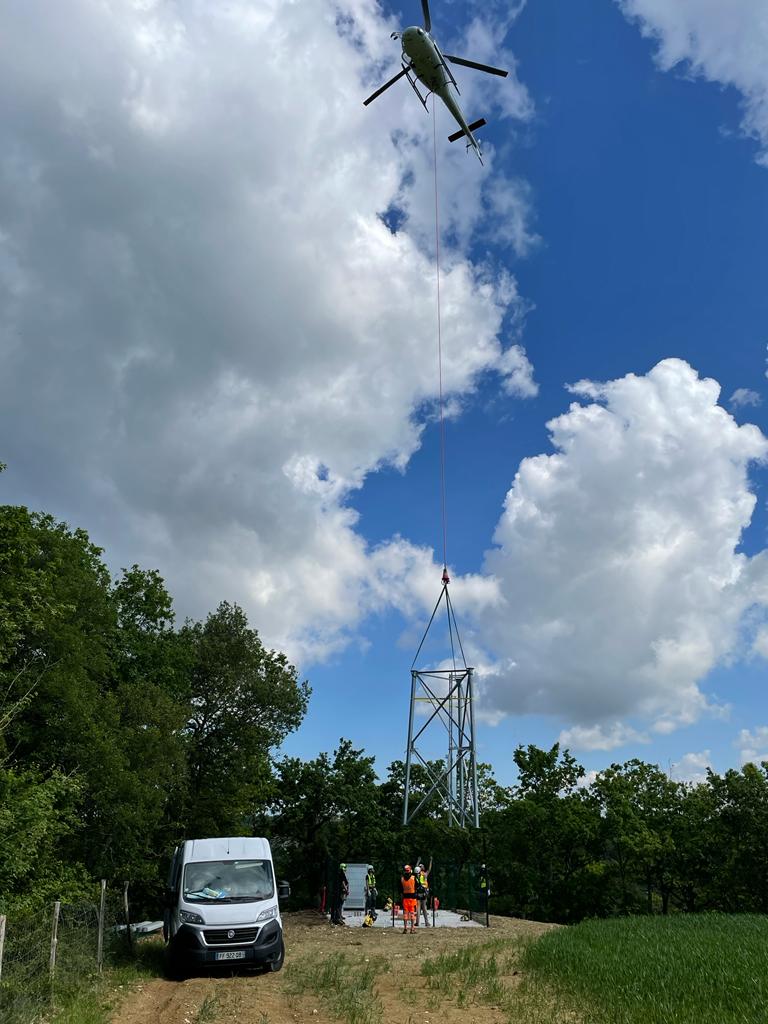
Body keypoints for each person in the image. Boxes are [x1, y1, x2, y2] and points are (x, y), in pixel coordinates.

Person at [414, 859, 432, 927]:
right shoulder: (425, 874)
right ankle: (426, 922)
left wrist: (418, 861)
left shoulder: (417, 875)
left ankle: (417, 922)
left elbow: (416, 867)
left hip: (418, 892)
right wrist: (430, 861)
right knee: (424, 908)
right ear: (422, 868)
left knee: (418, 907)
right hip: (424, 892)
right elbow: (429, 869)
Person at [400, 864, 417, 934]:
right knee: (412, 913)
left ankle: (405, 928)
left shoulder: (402, 879)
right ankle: (412, 929)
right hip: (412, 898)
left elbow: (400, 889)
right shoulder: (413, 878)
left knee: (405, 914)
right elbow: (417, 886)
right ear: (410, 870)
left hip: (405, 898)